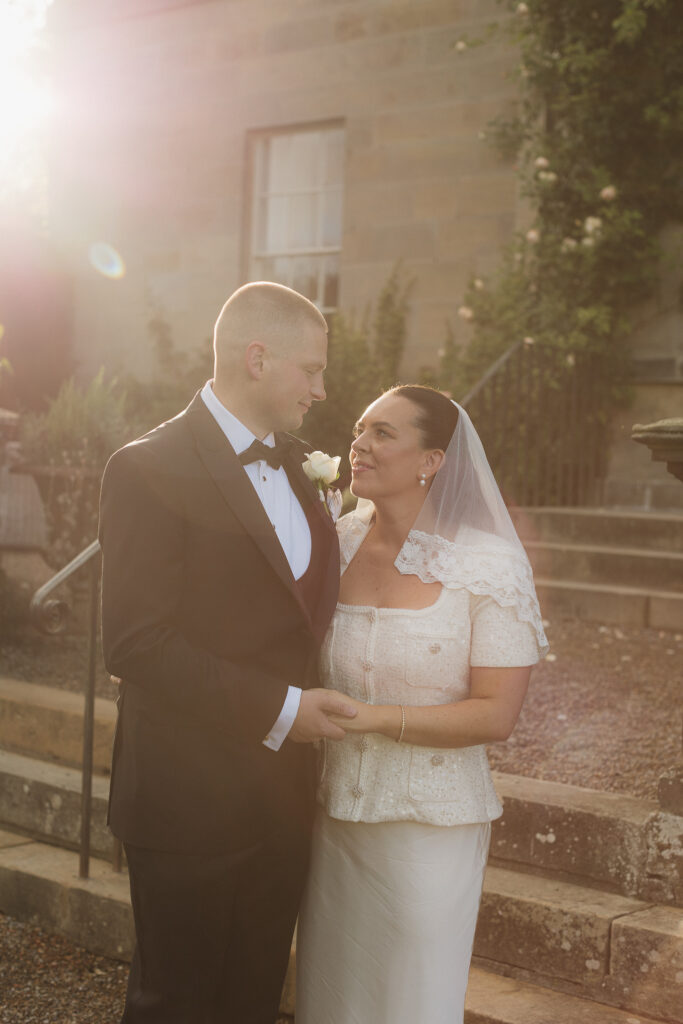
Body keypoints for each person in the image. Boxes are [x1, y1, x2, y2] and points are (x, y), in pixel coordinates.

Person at [98, 281, 356, 1024]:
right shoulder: (145, 467)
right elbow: (136, 642)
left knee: (252, 1002)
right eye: (311, 370)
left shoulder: (304, 468)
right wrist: (285, 709)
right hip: (187, 803)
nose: (321, 389)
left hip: (284, 804)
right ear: (256, 358)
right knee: (176, 1007)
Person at [296, 384, 549, 1024]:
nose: (359, 444)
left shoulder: (489, 565)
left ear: (432, 461)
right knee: (332, 1000)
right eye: (360, 428)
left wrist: (377, 718)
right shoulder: (334, 541)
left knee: (411, 1002)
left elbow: (497, 713)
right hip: (334, 822)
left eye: (383, 433)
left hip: (429, 834)